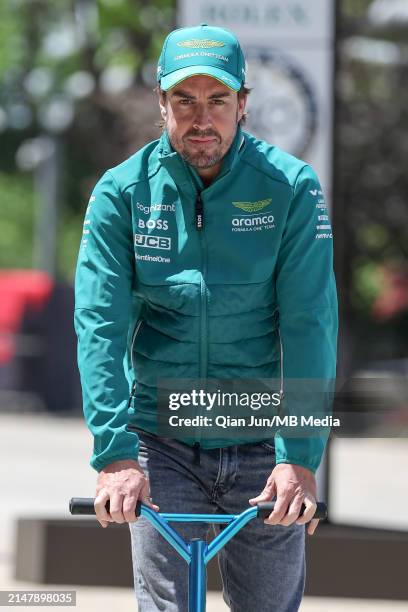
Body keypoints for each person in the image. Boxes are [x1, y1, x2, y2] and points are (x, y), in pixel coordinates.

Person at [74, 23, 338, 612]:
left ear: (244, 103)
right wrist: (114, 454)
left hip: (262, 444)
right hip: (160, 442)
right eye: (185, 100)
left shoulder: (291, 188)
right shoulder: (122, 193)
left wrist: (298, 455)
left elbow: (309, 325)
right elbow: (100, 324)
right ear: (161, 102)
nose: (202, 118)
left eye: (218, 100)